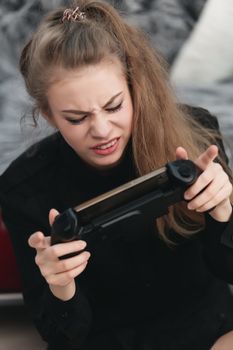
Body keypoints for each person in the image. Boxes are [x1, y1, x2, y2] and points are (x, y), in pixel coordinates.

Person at [1, 1, 233, 349]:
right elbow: (62, 337)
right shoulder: (24, 187)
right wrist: (61, 287)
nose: (101, 130)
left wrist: (223, 212)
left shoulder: (196, 132)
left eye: (114, 106)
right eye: (76, 118)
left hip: (209, 331)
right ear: (48, 115)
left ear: (134, 88)